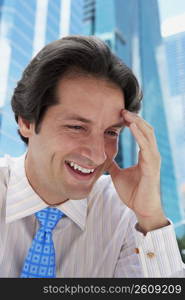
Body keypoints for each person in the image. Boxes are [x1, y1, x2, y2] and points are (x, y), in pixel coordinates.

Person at [0, 35, 184, 278]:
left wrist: (150, 218)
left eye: (111, 132)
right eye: (77, 127)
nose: (98, 155)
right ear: (27, 122)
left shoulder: (128, 213)